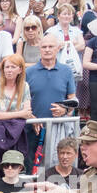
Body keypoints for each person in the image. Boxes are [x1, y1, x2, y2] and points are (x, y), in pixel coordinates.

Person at [27, 32, 78, 167]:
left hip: (59, 128)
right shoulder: (29, 72)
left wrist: (64, 110)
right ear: (39, 49)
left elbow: (72, 100)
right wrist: (31, 117)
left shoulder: (66, 71)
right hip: (34, 129)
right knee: (33, 170)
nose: (47, 50)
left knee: (59, 168)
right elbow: (21, 101)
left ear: (57, 49)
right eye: (44, 47)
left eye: (51, 46)